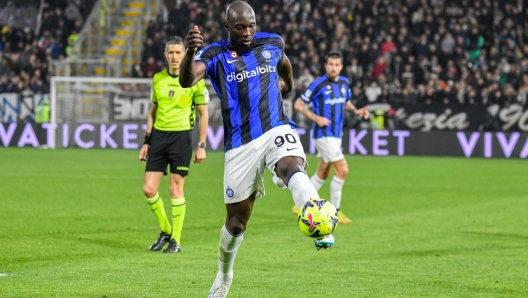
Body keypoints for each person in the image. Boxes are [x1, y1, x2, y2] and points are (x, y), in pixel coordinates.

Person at [179, 1, 334, 297]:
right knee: (236, 224)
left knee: (291, 165)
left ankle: (317, 218)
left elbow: (285, 63)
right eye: (240, 27)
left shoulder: (273, 43)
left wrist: (287, 84)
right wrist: (189, 51)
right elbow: (187, 80)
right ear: (228, 27)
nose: (248, 32)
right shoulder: (214, 54)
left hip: (276, 127)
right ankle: (224, 277)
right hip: (240, 145)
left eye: (251, 25)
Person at [139, 36, 210, 254]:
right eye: (171, 52)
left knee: (174, 188)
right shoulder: (158, 79)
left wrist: (201, 145)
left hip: (181, 138)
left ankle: (176, 241)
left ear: (185, 54)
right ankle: (166, 230)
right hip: (159, 138)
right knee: (149, 189)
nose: (174, 56)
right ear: (165, 55)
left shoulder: (194, 79)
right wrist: (146, 142)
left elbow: (204, 114)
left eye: (179, 52)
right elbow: (152, 112)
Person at [291, 51, 370, 225]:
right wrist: (316, 118)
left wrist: (356, 111)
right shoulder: (318, 85)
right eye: (330, 64)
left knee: (323, 172)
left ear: (341, 67)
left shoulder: (344, 83)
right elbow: (298, 104)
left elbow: (346, 102)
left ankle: (300, 205)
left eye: (336, 65)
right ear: (326, 66)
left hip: (336, 135)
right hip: (324, 135)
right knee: (342, 170)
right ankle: (335, 212)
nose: (333, 68)